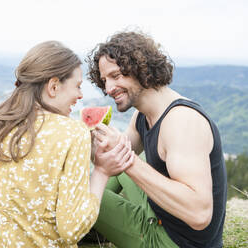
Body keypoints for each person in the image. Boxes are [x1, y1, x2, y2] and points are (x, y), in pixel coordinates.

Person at [0, 41, 130, 248]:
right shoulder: (73, 133)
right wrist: (101, 171)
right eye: (77, 86)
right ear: (54, 86)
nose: (80, 95)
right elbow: (71, 230)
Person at [87, 30, 227, 248]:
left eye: (116, 76)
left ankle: (83, 220)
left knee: (78, 193)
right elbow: (107, 161)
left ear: (141, 69)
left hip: (172, 241)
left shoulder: (181, 122)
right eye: (104, 80)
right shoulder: (143, 114)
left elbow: (199, 214)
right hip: (162, 212)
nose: (108, 88)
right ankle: (91, 223)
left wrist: (127, 160)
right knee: (118, 160)